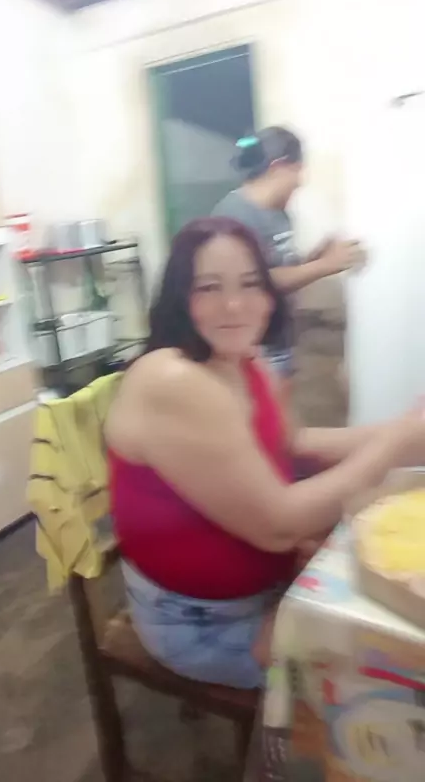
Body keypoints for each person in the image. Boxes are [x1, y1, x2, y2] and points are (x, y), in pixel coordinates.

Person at [105, 217, 425, 689]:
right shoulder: (173, 381)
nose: (235, 305)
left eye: (251, 283)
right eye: (208, 287)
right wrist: (395, 443)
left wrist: (407, 432)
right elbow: (279, 527)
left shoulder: (243, 359)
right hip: (203, 624)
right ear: (179, 297)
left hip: (268, 584)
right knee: (387, 673)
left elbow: (295, 444)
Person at [211, 126, 365, 380]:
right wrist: (325, 265)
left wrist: (317, 256)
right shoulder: (235, 216)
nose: (300, 182)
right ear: (279, 167)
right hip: (252, 346)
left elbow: (282, 270)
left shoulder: (279, 213)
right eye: (298, 171)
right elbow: (258, 281)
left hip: (279, 336)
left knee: (280, 402)